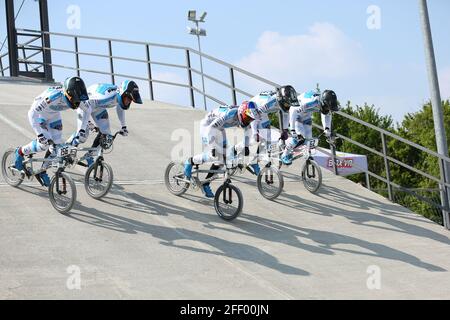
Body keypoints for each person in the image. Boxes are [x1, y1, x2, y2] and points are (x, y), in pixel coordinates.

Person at [14, 76, 90, 187]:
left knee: (57, 146)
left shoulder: (77, 97)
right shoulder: (52, 97)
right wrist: (39, 134)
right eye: (75, 100)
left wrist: (82, 129)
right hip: (40, 115)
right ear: (68, 94)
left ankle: (42, 171)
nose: (77, 103)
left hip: (54, 116)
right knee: (44, 144)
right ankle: (20, 152)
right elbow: (32, 113)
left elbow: (88, 111)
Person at [183, 101, 257, 198]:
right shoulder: (229, 114)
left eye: (251, 119)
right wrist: (213, 147)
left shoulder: (245, 116)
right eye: (247, 118)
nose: (248, 121)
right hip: (208, 127)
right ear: (242, 112)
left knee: (222, 160)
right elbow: (211, 128)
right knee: (215, 155)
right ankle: (190, 161)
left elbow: (248, 131)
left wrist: (246, 146)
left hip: (219, 128)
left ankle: (205, 184)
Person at [68, 80, 143, 166]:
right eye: (129, 99)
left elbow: (120, 109)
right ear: (123, 94)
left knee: (107, 136)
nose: (129, 102)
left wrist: (124, 126)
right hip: (85, 106)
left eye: (131, 100)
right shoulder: (106, 96)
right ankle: (69, 145)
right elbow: (85, 103)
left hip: (98, 108)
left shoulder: (119, 96)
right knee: (83, 136)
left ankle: (89, 155)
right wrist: (88, 122)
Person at [235, 85, 300, 175]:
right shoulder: (268, 103)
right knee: (256, 139)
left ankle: (254, 162)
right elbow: (254, 117)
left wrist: (285, 130)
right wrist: (255, 132)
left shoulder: (282, 101)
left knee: (267, 139)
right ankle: (237, 148)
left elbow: (286, 114)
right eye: (287, 104)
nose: (288, 106)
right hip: (253, 110)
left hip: (262, 113)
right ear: (281, 99)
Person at [281, 89, 339, 165]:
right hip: (296, 114)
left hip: (306, 116)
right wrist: (292, 129)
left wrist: (327, 129)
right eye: (327, 107)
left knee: (308, 138)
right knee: (299, 136)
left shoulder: (325, 103)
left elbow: (327, 115)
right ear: (323, 103)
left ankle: (306, 154)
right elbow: (293, 110)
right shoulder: (310, 102)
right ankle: (285, 154)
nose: (328, 110)